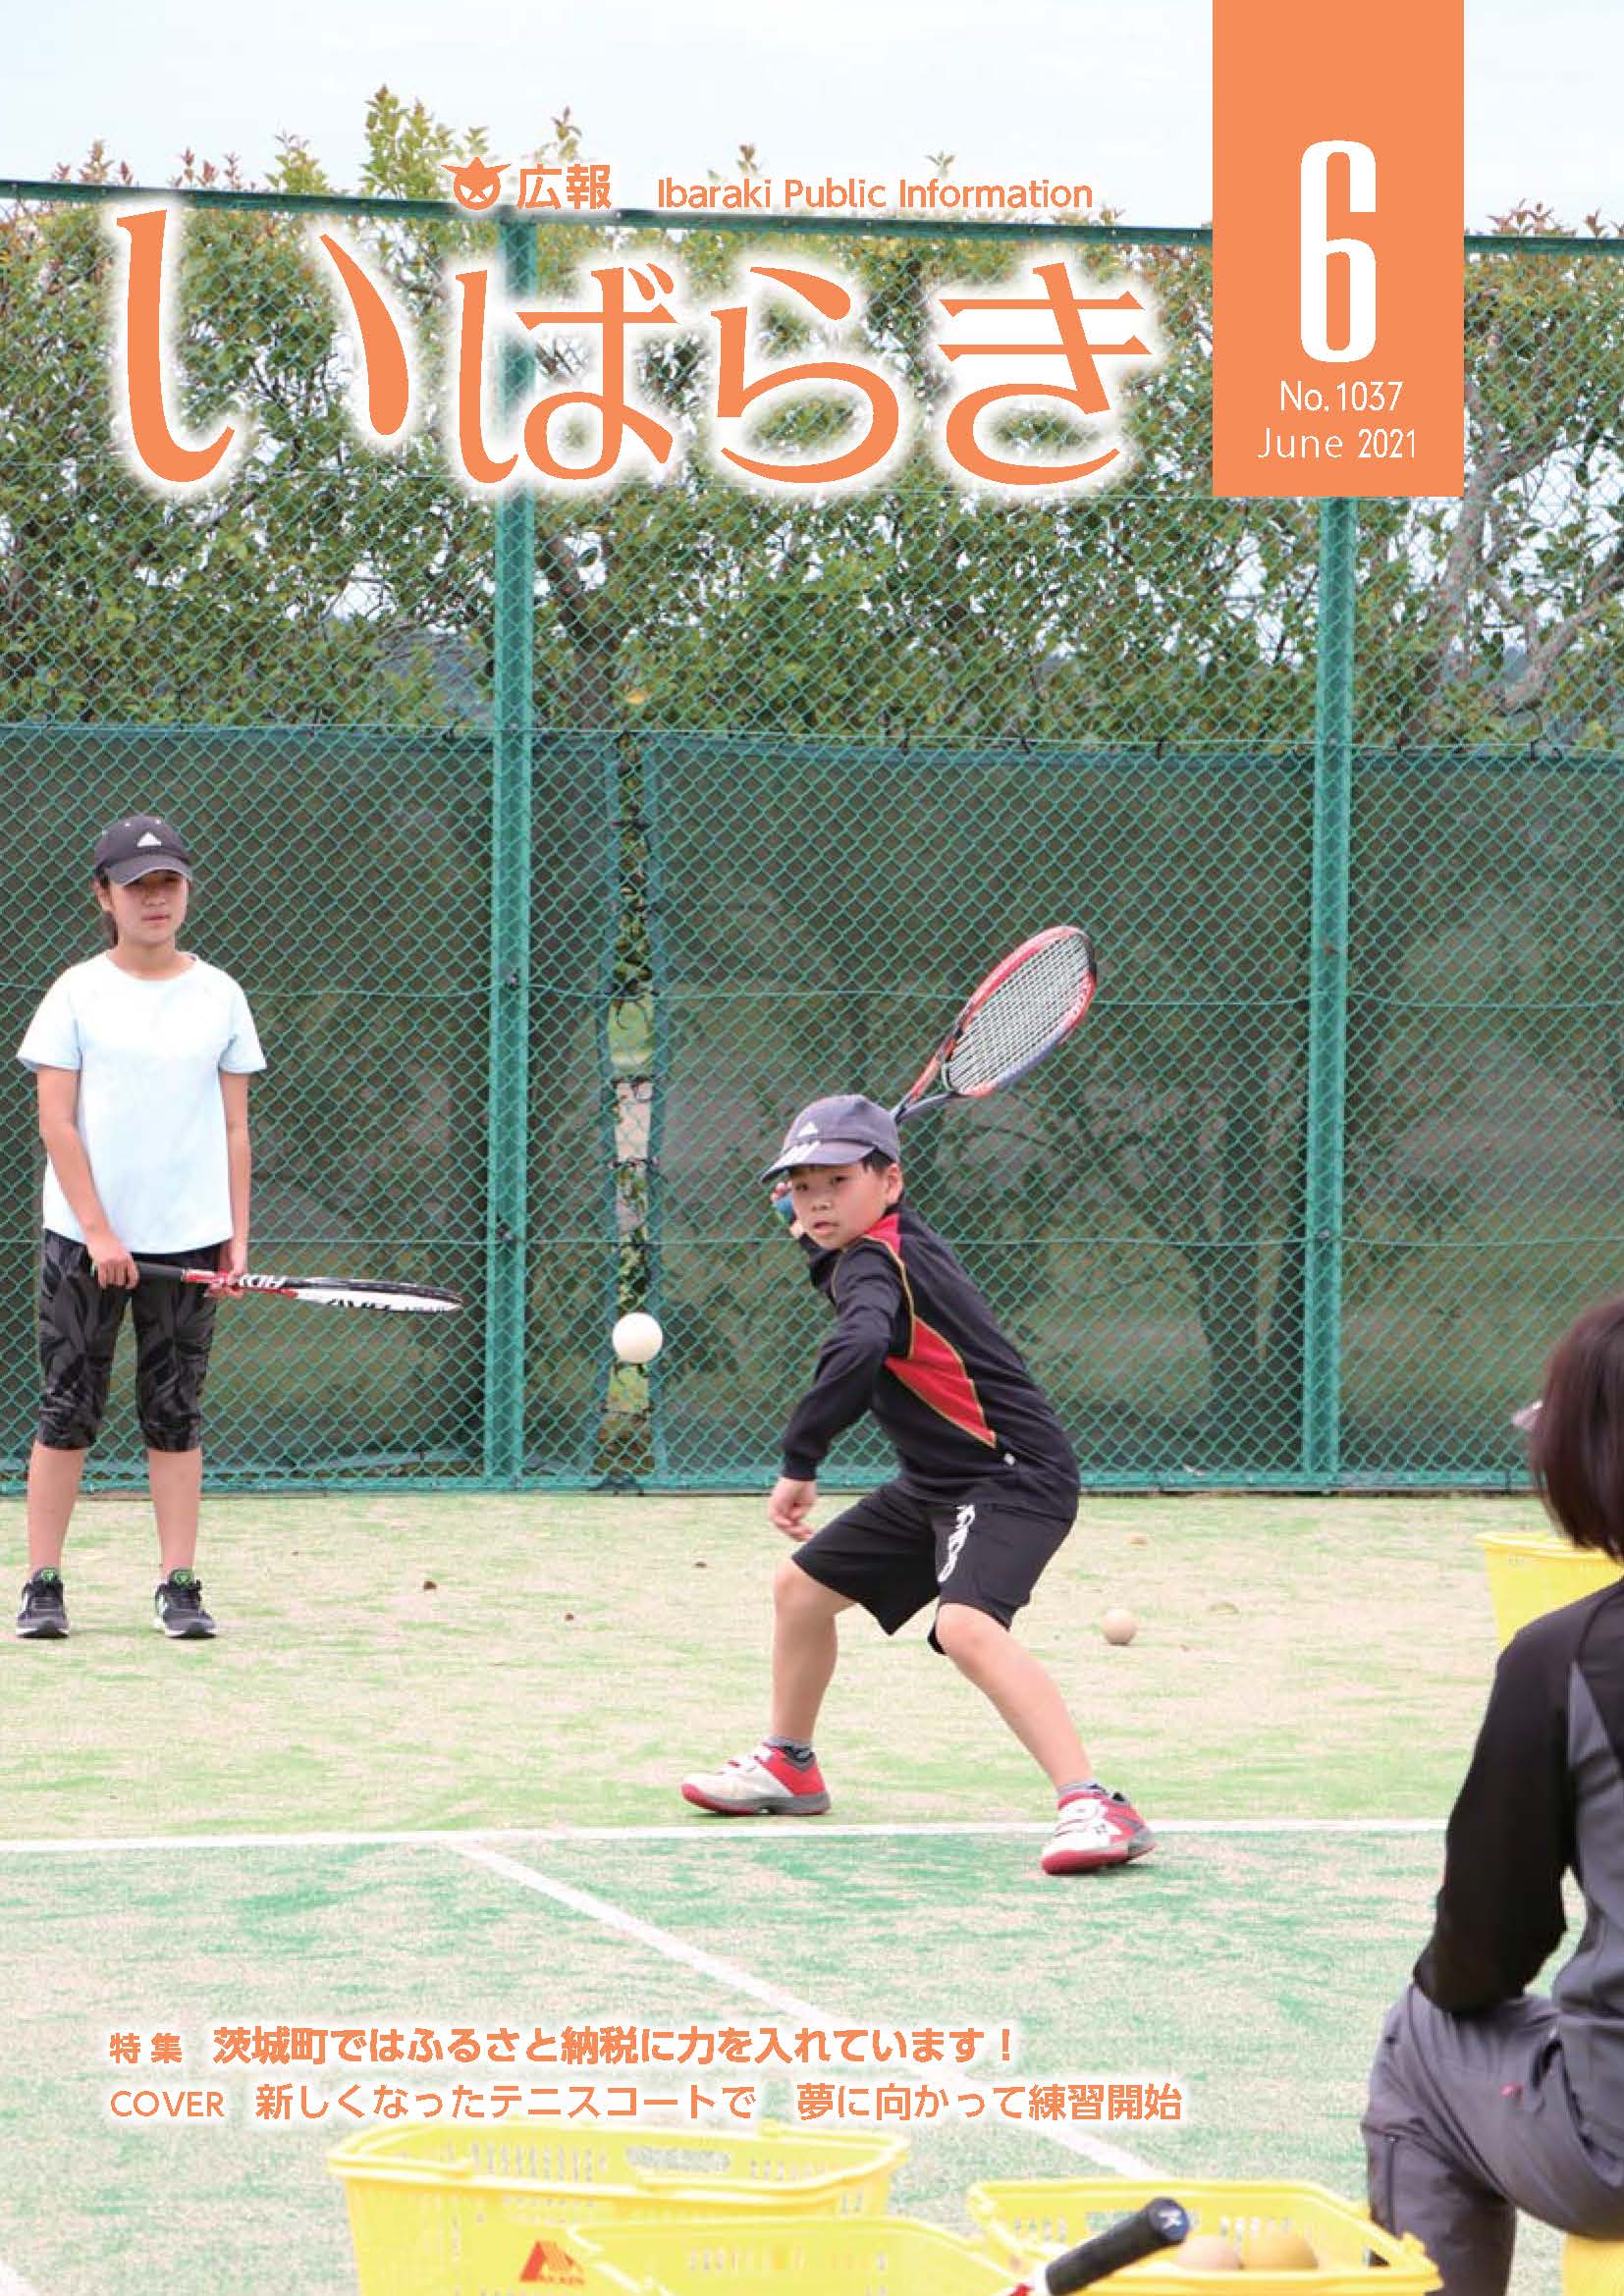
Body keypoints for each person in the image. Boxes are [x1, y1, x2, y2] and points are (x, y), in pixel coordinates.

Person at [678, 1092, 1152, 1877]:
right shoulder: (884, 1242)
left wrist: (802, 1457)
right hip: (937, 1480)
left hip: (1010, 1478)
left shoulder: (874, 1263)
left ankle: (1095, 1802)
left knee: (967, 1627)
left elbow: (862, 1339)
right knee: (800, 1590)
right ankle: (790, 1763)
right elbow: (849, 1264)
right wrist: (815, 1226)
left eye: (837, 1180)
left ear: (890, 1182)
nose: (817, 1199)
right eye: (801, 1185)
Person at [1363, 1294, 1624, 2292]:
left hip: (1614, 2147)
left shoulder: (1563, 1657)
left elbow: (1489, 1943)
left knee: (1422, 2037)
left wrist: (1449, 1984)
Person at [14, 812, 264, 1642]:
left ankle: (178, 1584)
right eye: (137, 886)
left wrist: (236, 1233)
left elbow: (234, 1126)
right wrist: (100, 1233)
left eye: (169, 883)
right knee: (67, 1409)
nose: (156, 899)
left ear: (187, 891)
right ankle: (41, 1582)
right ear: (105, 896)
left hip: (188, 1240)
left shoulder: (220, 994)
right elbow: (57, 1122)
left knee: (175, 1412)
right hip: (82, 1243)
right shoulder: (76, 993)